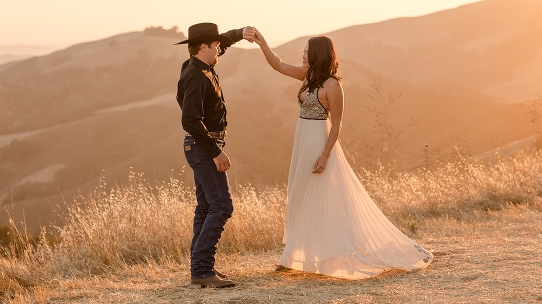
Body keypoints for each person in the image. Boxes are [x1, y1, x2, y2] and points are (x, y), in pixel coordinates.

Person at [252, 29, 433, 279]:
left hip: (318, 141)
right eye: (303, 52)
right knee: (299, 194)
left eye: (306, 52)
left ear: (318, 55)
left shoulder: (332, 85)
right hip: (303, 139)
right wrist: (263, 44)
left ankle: (294, 258)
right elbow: (279, 65)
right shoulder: (308, 76)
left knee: (316, 196)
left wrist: (325, 155)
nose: (302, 55)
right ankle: (296, 254)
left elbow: (337, 124)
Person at [175, 22, 255, 289]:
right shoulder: (197, 76)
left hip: (201, 146)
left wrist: (237, 35)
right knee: (222, 206)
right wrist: (216, 152)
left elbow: (223, 44)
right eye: (216, 45)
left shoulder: (199, 66)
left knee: (207, 207)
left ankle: (200, 270)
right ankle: (201, 269)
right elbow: (190, 120)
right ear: (203, 47)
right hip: (204, 147)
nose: (220, 48)